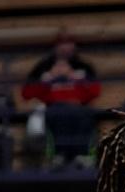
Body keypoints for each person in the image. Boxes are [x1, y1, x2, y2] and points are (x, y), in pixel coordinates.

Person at [21, 34, 100, 165]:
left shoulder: (84, 67)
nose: (65, 48)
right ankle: (59, 156)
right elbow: (26, 93)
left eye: (69, 44)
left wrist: (73, 77)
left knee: (84, 116)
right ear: (55, 47)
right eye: (62, 44)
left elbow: (95, 91)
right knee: (58, 115)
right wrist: (49, 79)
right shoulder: (43, 67)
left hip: (79, 107)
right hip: (52, 108)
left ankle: (81, 156)